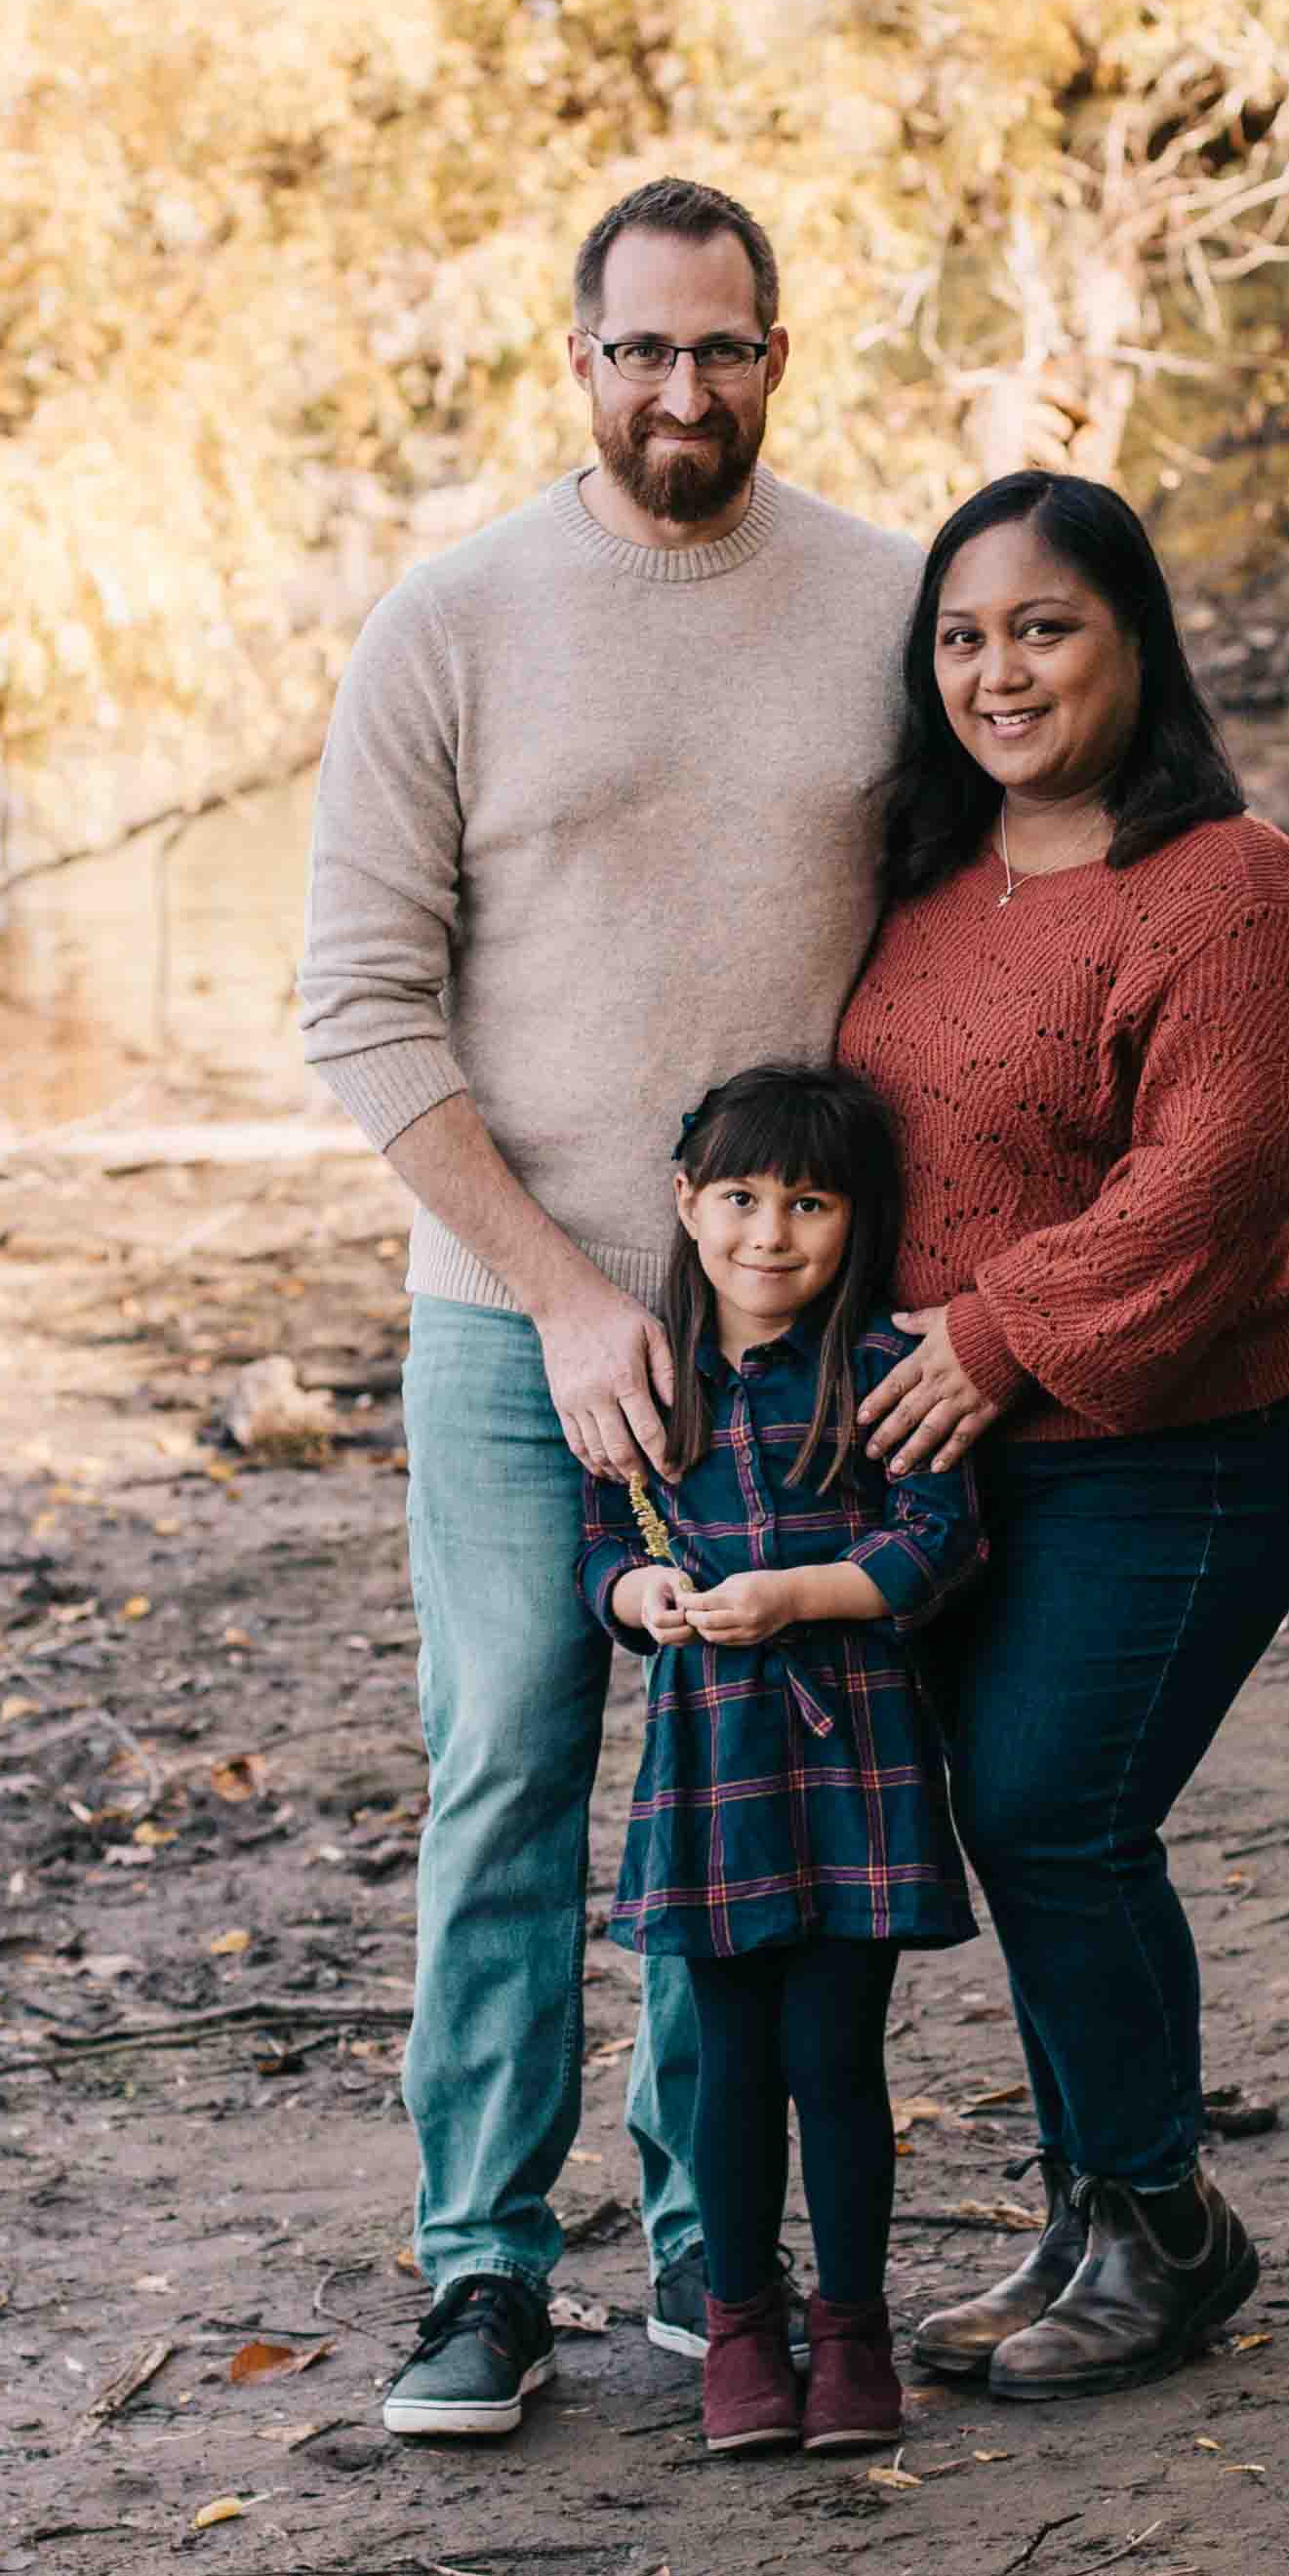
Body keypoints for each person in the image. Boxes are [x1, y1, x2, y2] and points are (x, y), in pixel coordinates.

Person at [299, 180, 917, 2444]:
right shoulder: (450, 623)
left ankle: (709, 2248)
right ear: (577, 361)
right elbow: (358, 1008)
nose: (686, 390)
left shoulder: (879, 604)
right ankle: (478, 2270)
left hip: (793, 1331)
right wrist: (559, 1297)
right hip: (505, 1316)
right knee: (511, 1772)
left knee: (746, 1783)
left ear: (777, 355)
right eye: (642, 351)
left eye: (725, 349)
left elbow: (958, 951)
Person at [838, 472, 1289, 2401]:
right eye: (961, 636)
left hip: (1179, 1444)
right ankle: (1086, 2220)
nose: (998, 670)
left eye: (1042, 627)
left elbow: (1212, 1181)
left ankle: (1162, 2225)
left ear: (1133, 639)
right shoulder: (932, 874)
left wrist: (985, 1332)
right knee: (1026, 1821)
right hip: (967, 1448)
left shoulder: (1231, 889)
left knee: (1058, 1810)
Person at [576, 1065, 984, 2460]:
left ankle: (853, 2326)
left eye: (807, 1204)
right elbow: (602, 1548)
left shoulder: (877, 1369)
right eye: (741, 1198)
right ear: (688, 1205)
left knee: (836, 2057)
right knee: (729, 2063)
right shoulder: (648, 1381)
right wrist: (642, 1600)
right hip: (710, 1771)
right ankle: (743, 2327)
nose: (770, 1232)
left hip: (852, 1755)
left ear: (852, 1218)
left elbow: (938, 1539)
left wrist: (801, 1593)